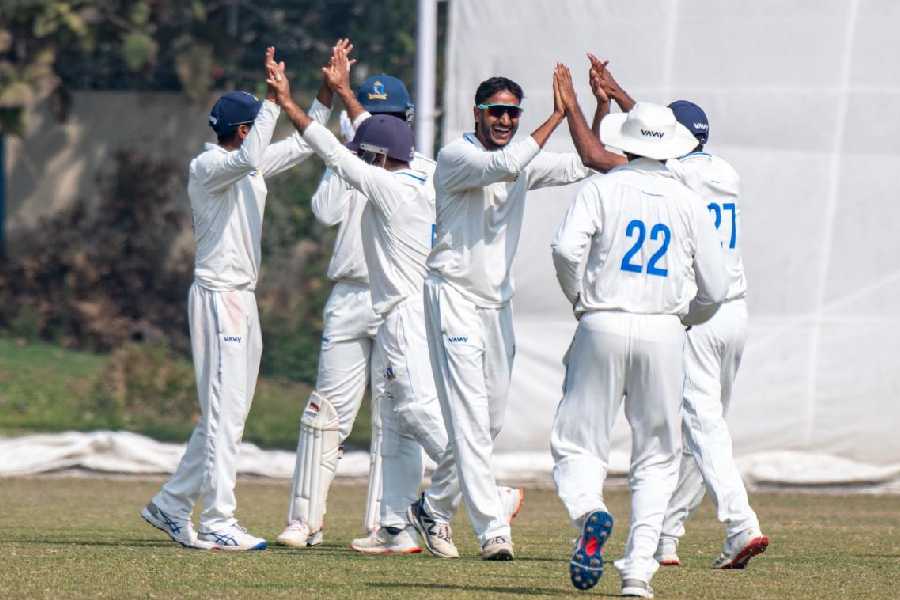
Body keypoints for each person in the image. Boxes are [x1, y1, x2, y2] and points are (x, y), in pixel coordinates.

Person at [269, 49, 526, 558]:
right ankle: (346, 523)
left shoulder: (410, 175)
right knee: (346, 413)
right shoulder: (398, 163)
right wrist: (346, 105)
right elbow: (333, 194)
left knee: (409, 413)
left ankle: (460, 500)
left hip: (408, 305)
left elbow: (342, 150)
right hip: (364, 297)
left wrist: (299, 104)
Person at [420, 70, 623, 561]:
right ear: (478, 113)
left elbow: (586, 163)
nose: (506, 121)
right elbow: (505, 164)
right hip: (453, 297)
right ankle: (492, 529)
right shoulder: (456, 156)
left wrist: (594, 107)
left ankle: (432, 506)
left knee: (487, 422)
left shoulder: (522, 158)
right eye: (498, 112)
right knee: (470, 420)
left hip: (496, 304)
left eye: (513, 113)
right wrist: (558, 112)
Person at [140, 47, 330, 551]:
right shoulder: (208, 165)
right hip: (218, 296)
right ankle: (218, 520)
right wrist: (273, 100)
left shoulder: (248, 163)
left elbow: (303, 146)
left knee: (229, 413)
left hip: (243, 299)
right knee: (223, 414)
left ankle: (171, 504)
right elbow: (247, 157)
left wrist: (325, 95)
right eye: (259, 123)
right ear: (245, 130)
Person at [594, 61, 769, 570]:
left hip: (698, 313)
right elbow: (661, 137)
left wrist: (612, 100)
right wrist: (621, 94)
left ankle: (741, 524)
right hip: (735, 314)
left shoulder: (677, 175)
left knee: (702, 427)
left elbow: (617, 153)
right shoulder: (725, 171)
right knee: (704, 430)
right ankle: (667, 535)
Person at [551, 98, 728, 597]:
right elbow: (716, 288)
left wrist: (579, 297)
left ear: (625, 143)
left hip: (602, 321)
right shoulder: (689, 201)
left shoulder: (602, 188)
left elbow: (564, 249)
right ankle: (637, 572)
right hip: (663, 329)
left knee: (579, 441)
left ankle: (589, 509)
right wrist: (685, 318)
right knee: (657, 455)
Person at [277, 42, 431, 550]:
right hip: (349, 295)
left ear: (406, 120)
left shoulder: (423, 169)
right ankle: (305, 521)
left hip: (400, 301)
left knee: (396, 415)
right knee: (325, 412)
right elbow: (324, 211)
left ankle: (389, 525)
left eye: (390, 118)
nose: (381, 125)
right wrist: (349, 152)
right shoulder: (347, 159)